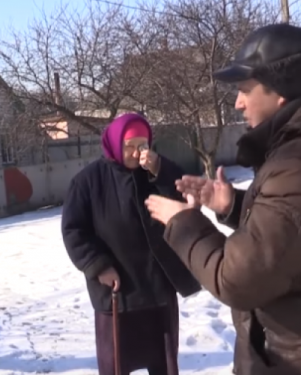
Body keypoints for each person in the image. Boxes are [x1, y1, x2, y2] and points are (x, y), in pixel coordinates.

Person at [144, 23, 301, 375]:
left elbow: (239, 278)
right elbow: (289, 231)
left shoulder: (293, 165)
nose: (237, 102)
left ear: (280, 92)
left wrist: (182, 224)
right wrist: (234, 206)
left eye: (245, 89)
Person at [61, 113, 201, 375]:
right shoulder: (87, 182)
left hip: (157, 288)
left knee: (164, 363)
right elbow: (73, 230)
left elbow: (188, 197)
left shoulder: (154, 173)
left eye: (143, 145)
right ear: (115, 143)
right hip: (118, 290)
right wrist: (99, 266)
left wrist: (160, 168)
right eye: (130, 146)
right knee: (116, 365)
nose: (138, 153)